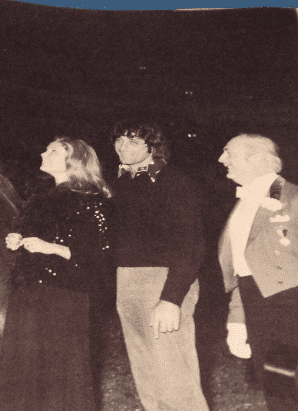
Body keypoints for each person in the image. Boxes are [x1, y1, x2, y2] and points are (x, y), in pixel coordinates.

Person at [0, 137, 113, 411]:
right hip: (29, 292)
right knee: (24, 368)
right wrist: (17, 239)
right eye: (46, 148)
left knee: (61, 370)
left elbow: (101, 255)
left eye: (53, 151)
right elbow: (31, 238)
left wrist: (52, 248)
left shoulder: (92, 200)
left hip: (64, 295)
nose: (43, 152)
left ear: (74, 161)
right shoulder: (40, 199)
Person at [112, 122, 209, 411]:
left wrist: (171, 298)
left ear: (151, 146)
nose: (121, 146)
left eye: (131, 141)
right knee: (146, 372)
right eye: (118, 140)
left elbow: (191, 242)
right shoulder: (119, 184)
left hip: (163, 282)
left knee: (174, 374)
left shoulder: (172, 180)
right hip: (126, 281)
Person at [218, 134, 298, 411]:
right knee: (278, 388)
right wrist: (237, 319)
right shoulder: (243, 202)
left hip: (292, 305)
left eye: (228, 153)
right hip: (256, 303)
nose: (222, 160)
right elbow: (243, 268)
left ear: (256, 158)